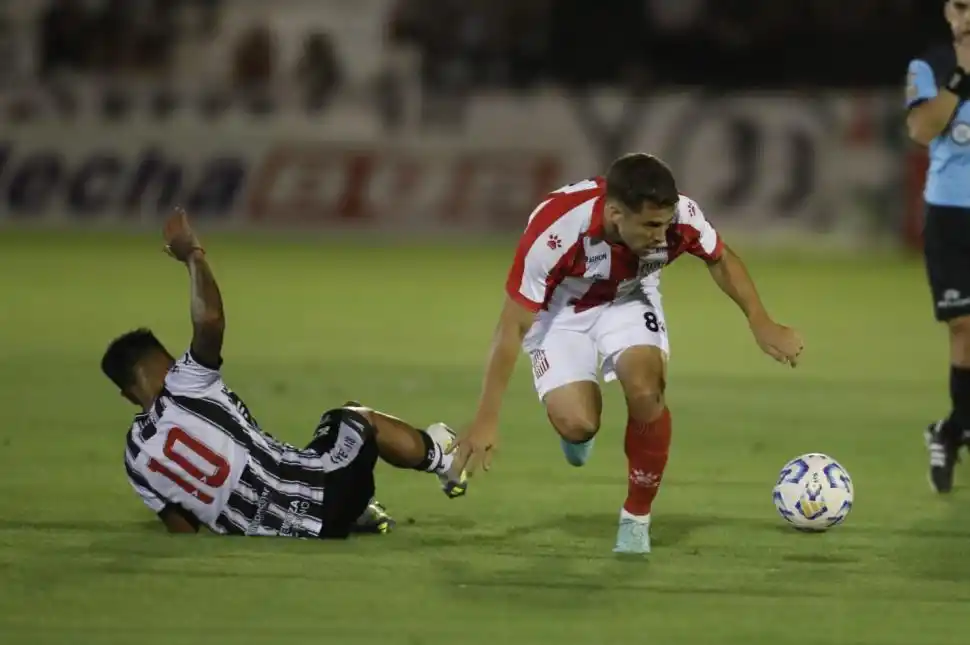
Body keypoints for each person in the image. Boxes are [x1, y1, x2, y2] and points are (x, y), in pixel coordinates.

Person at [449, 153, 803, 554]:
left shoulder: (680, 218)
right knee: (579, 423)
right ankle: (575, 431)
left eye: (665, 224)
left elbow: (719, 258)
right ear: (615, 213)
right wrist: (486, 419)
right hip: (561, 312)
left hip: (628, 297)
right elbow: (511, 326)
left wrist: (760, 320)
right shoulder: (557, 229)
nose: (661, 235)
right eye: (651, 225)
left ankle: (636, 518)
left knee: (646, 390)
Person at [103, 208, 467, 537]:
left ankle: (360, 514)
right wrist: (193, 254)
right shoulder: (185, 382)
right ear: (168, 361)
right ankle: (443, 457)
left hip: (275, 531)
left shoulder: (135, 457)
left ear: (127, 394)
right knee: (353, 418)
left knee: (310, 449)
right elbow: (210, 320)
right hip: (327, 496)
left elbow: (183, 528)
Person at [906, 0, 970, 493]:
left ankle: (951, 431)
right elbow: (922, 130)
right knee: (964, 325)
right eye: (961, 6)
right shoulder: (931, 65)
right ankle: (956, 429)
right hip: (952, 213)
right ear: (948, 12)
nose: (967, 16)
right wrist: (961, 77)